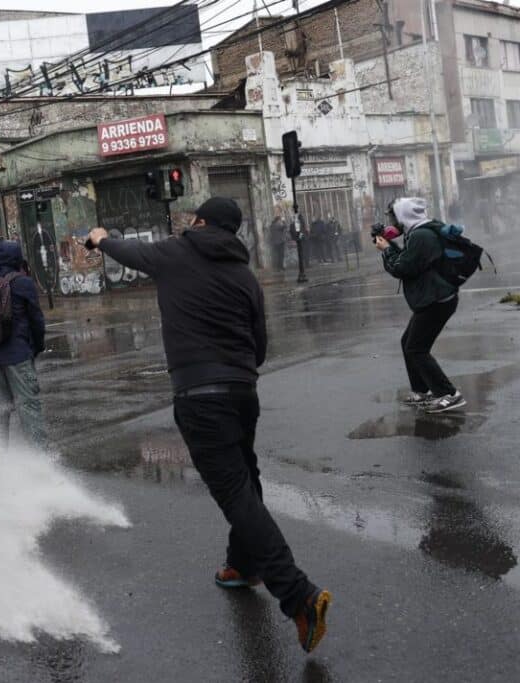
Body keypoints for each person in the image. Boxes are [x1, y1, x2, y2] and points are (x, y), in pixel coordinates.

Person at [85, 197, 331, 654]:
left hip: (200, 397)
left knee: (236, 492)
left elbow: (128, 254)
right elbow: (259, 347)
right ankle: (241, 565)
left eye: (191, 217)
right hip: (243, 393)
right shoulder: (245, 277)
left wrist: (100, 238)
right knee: (246, 479)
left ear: (200, 221)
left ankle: (299, 596)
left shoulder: (174, 252)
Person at [375, 198, 465, 413]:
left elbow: (402, 268)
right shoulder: (419, 231)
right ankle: (422, 392)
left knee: (417, 348)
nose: (392, 223)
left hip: (437, 300)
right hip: (433, 298)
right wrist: (391, 246)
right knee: (409, 342)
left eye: (394, 218)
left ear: (403, 216)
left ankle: (449, 394)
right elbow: (408, 261)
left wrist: (387, 249)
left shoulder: (421, 236)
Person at [0, 241, 48, 448]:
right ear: (18, 259)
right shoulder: (23, 283)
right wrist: (37, 347)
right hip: (17, 356)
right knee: (29, 409)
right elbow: (37, 321)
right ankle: (41, 461)